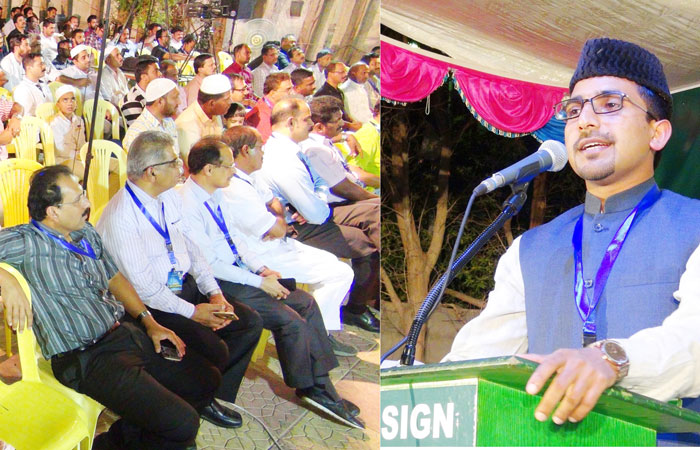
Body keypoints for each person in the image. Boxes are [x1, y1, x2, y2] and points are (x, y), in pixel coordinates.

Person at [442, 38, 700, 444]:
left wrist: (611, 360)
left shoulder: (694, 225)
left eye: (610, 104)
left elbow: (694, 342)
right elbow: (481, 357)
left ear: (657, 132)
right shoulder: (530, 248)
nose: (584, 122)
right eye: (574, 109)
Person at [0, 164, 220, 449]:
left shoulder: (85, 232)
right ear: (52, 212)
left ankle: (136, 433)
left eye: (83, 194)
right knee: (182, 423)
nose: (87, 203)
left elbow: (114, 277)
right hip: (85, 357)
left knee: (206, 380)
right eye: (78, 199)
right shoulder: (26, 242)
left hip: (123, 332)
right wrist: (5, 279)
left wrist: (148, 321)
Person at [180, 137, 363, 428]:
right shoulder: (187, 203)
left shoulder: (215, 193)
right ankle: (308, 386)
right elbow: (209, 264)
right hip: (217, 281)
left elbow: (236, 240)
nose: (233, 171)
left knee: (305, 302)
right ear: (209, 169)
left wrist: (261, 268)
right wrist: (257, 281)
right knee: (289, 320)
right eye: (228, 166)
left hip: (240, 271)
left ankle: (321, 384)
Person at [97, 130, 263, 429]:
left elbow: (191, 246)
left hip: (182, 286)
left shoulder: (168, 196)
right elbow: (145, 287)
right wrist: (193, 313)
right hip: (150, 305)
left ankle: (208, 394)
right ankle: (196, 395)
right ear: (152, 172)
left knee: (247, 323)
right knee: (215, 348)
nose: (181, 168)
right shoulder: (122, 217)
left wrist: (213, 293)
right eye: (174, 162)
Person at [253, 98, 380, 333]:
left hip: (312, 217)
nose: (312, 124)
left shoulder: (292, 147)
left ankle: (359, 306)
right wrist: (315, 201)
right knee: (365, 244)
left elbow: (319, 184)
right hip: (296, 229)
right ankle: (335, 323)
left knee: (375, 220)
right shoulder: (283, 158)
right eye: (307, 119)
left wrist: (315, 198)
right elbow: (317, 213)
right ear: (291, 122)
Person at [223, 126, 356, 338]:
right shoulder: (235, 187)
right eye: (260, 147)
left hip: (278, 244)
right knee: (339, 273)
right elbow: (276, 226)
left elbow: (275, 205)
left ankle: (319, 332)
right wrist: (279, 221)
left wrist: (278, 219)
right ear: (246, 150)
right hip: (261, 256)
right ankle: (320, 337)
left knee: (335, 264)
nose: (264, 152)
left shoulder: (252, 174)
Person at [176, 73, 231, 163]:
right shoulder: (187, 123)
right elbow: (195, 164)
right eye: (227, 99)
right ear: (212, 103)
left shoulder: (215, 114)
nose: (230, 102)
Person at [123, 78, 180, 152]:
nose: (179, 102)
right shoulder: (138, 133)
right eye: (175, 98)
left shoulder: (169, 122)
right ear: (160, 101)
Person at [244, 71, 293, 143]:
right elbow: (266, 144)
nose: (291, 93)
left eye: (291, 88)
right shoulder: (262, 115)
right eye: (287, 90)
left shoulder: (276, 107)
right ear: (273, 93)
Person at [49, 85, 86, 178]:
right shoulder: (54, 123)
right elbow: (60, 150)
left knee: (116, 165)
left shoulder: (79, 120)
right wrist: (78, 155)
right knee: (92, 172)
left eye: (72, 99)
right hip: (64, 161)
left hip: (80, 157)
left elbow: (82, 143)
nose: (70, 103)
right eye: (65, 100)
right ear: (58, 104)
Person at [121, 58, 160, 127]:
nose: (160, 74)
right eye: (155, 71)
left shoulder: (156, 95)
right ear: (144, 77)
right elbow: (139, 131)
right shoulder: (132, 100)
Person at [13, 52, 52, 116]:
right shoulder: (22, 90)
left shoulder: (43, 84)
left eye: (44, 64)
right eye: (40, 64)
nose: (44, 67)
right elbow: (26, 116)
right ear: (29, 68)